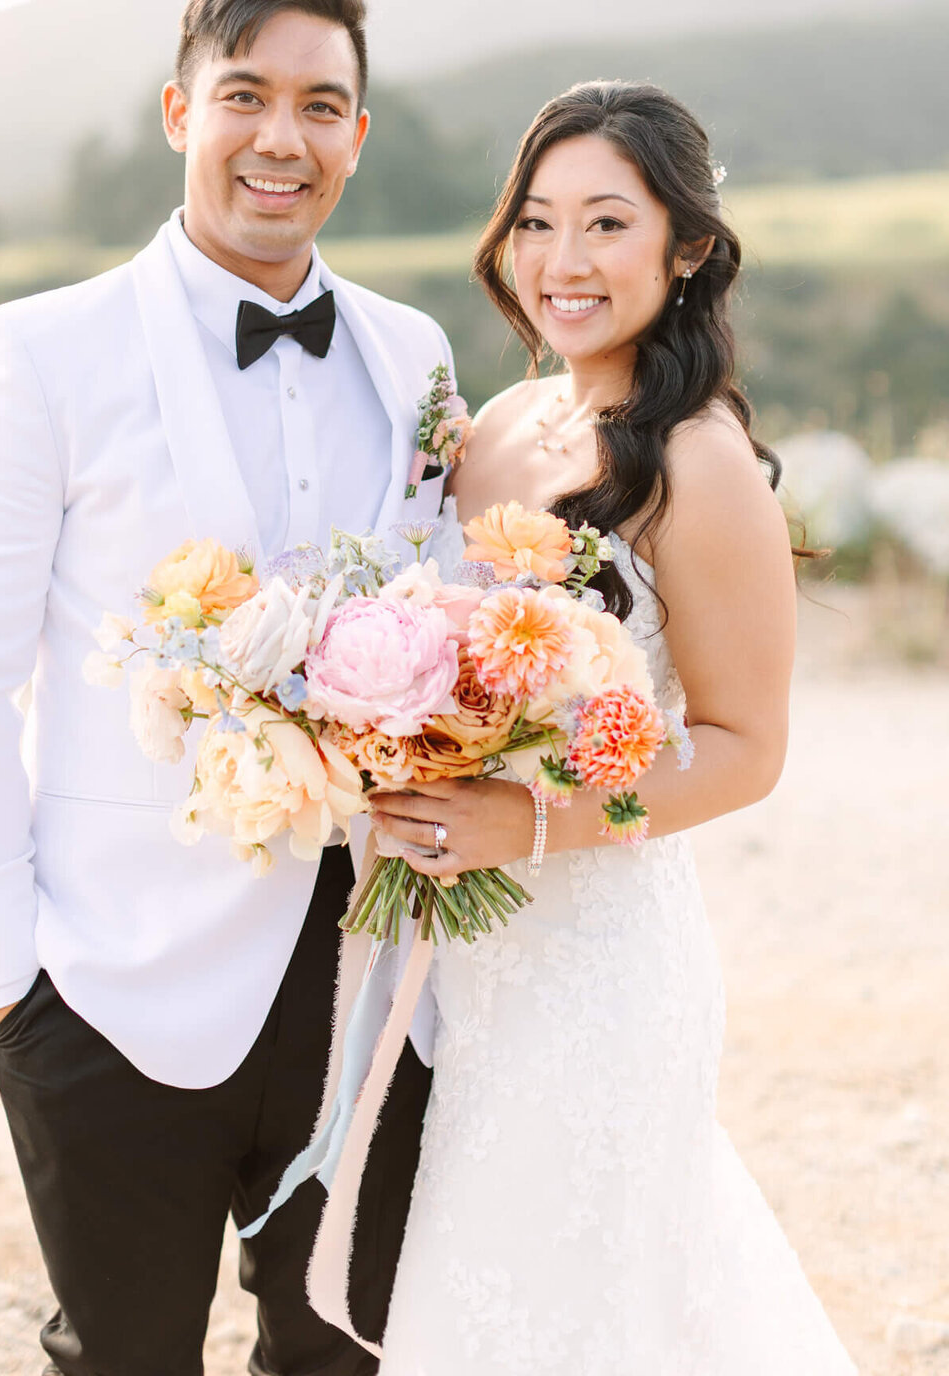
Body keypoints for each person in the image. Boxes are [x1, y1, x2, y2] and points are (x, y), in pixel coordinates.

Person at [0, 0, 448, 1376]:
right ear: (178, 110)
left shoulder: (415, 355)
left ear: (359, 137)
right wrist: (6, 984)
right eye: (246, 96)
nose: (283, 138)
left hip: (363, 982)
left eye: (324, 106)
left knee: (348, 1357)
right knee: (124, 1359)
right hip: (108, 982)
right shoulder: (33, 355)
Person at [366, 81, 858, 1373]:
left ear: (685, 248)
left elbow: (748, 747)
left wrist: (525, 819)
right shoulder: (501, 424)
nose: (561, 262)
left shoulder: (700, 464)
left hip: (602, 967)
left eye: (604, 224)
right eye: (535, 222)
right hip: (461, 961)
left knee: (575, 1299)